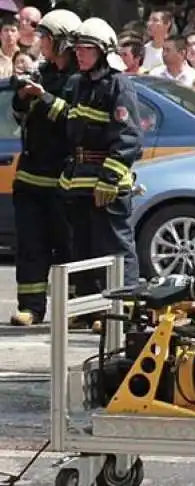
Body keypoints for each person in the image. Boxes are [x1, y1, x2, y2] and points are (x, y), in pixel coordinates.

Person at [58, 18, 143, 330]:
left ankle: (124, 311)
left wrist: (108, 179)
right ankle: (90, 308)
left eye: (86, 49)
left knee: (115, 248)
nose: (79, 54)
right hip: (79, 182)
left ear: (103, 51)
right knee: (83, 249)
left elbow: (129, 137)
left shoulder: (119, 85)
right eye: (77, 48)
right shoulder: (78, 85)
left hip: (106, 184)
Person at [8, 9, 82, 326]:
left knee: (69, 246)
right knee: (31, 246)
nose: (41, 43)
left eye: (46, 37)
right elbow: (22, 116)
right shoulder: (43, 73)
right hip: (31, 176)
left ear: (62, 41)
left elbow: (76, 123)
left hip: (63, 179)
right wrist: (23, 97)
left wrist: (46, 99)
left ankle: (77, 308)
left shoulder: (80, 80)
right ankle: (31, 307)